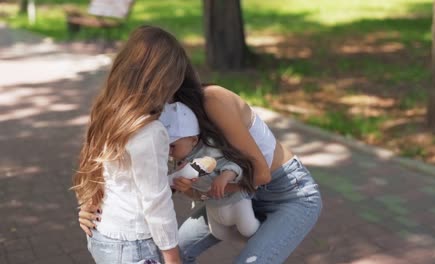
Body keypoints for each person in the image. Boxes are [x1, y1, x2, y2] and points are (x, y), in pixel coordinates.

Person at [79, 31, 322, 264]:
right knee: (177, 252)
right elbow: (132, 173)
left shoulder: (212, 100)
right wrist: (93, 209)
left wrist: (211, 190)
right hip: (236, 194)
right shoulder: (153, 116)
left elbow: (261, 173)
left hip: (287, 192)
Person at [71, 25, 198, 264]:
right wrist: (172, 258)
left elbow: (120, 178)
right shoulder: (150, 131)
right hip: (132, 244)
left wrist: (170, 180)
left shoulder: (111, 113)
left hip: (103, 234)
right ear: (163, 82)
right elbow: (155, 202)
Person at [160, 101, 261, 240]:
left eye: (172, 146)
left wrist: (225, 176)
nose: (169, 152)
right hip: (212, 204)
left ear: (193, 140)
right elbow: (196, 193)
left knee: (248, 229)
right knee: (218, 233)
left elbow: (236, 164)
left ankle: (263, 234)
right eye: (165, 146)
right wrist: (185, 187)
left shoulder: (210, 150)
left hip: (235, 200)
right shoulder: (176, 161)